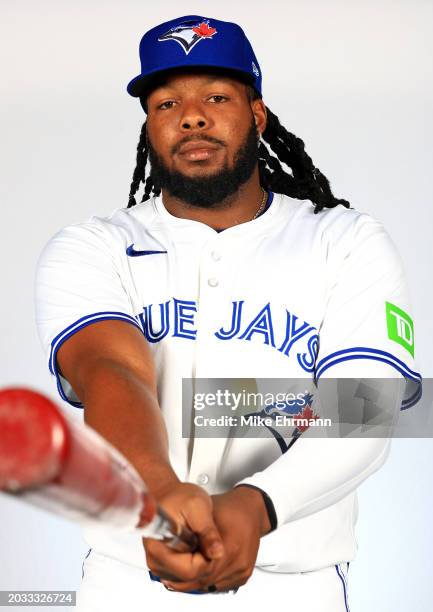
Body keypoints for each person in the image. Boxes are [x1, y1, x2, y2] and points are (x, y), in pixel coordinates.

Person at [35, 14, 421, 612]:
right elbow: (111, 369)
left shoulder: (345, 240)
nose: (192, 115)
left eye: (216, 96)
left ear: (257, 115)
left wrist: (256, 505)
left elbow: (367, 405)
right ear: (149, 126)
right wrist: (158, 491)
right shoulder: (94, 245)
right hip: (127, 583)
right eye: (167, 104)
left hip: (295, 587)